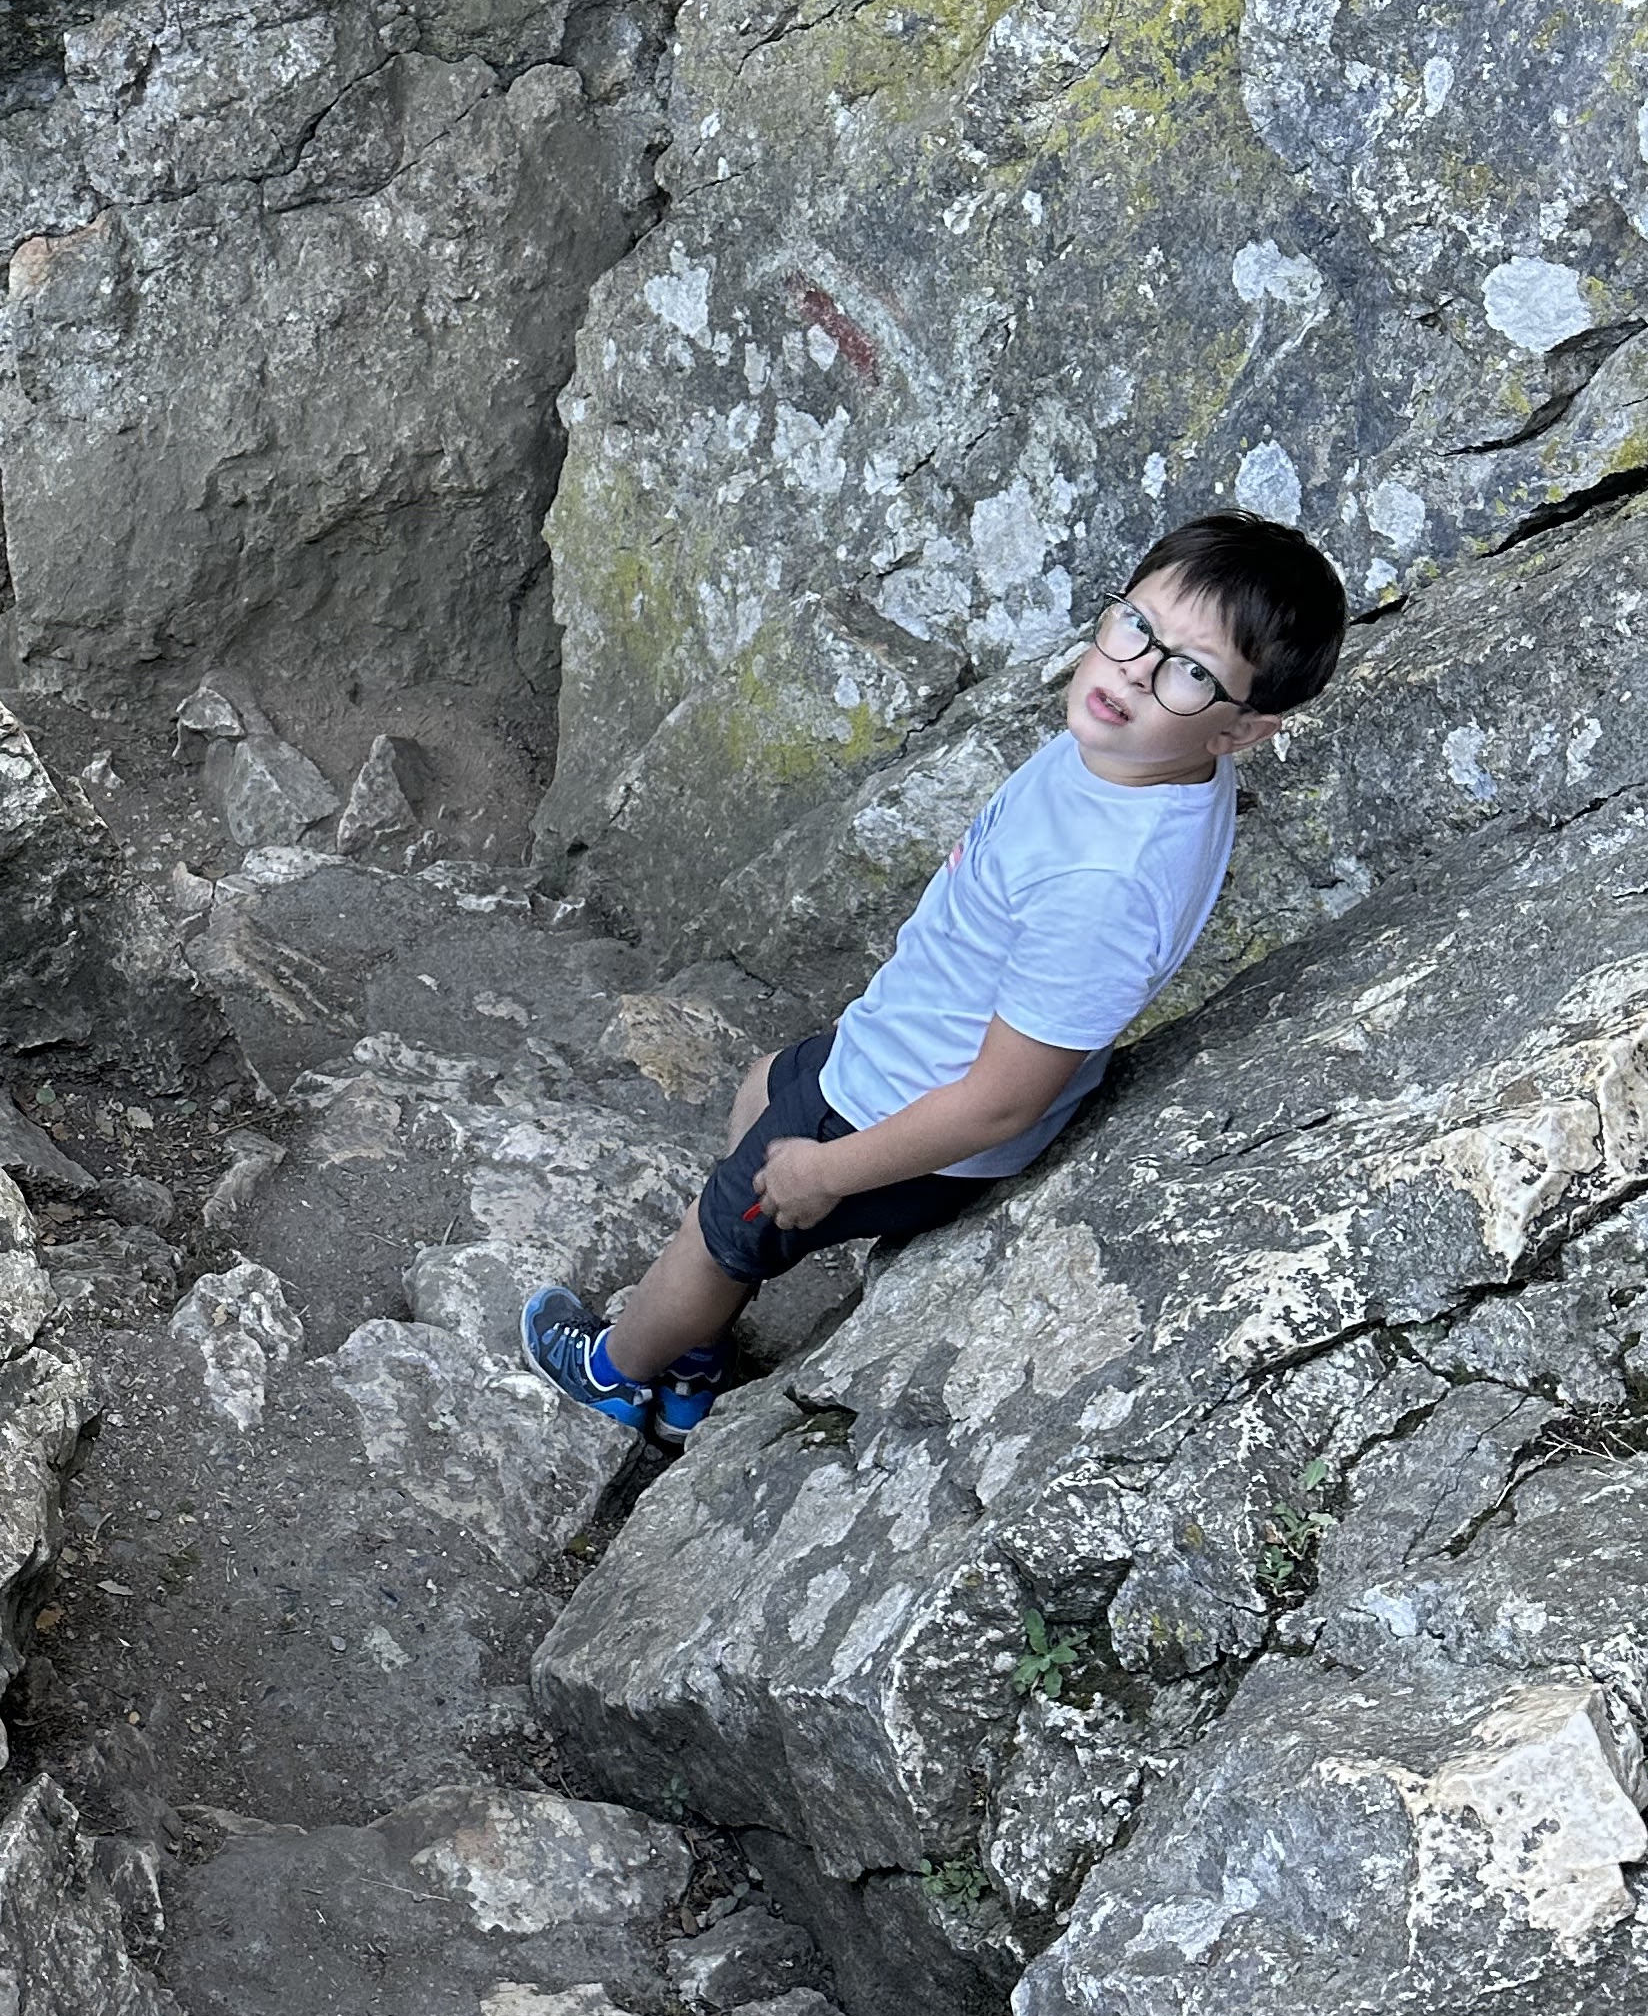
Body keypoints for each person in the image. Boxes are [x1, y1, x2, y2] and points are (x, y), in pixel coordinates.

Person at [524, 511, 1349, 1441]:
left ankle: (617, 1372)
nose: (1134, 671)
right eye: (1136, 626)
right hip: (900, 1046)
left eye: (1191, 672)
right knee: (762, 1091)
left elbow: (1000, 1103)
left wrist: (828, 1171)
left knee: (720, 1230)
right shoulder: (1142, 757)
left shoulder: (1108, 884)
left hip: (904, 1109)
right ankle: (695, 1348)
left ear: (1243, 731)